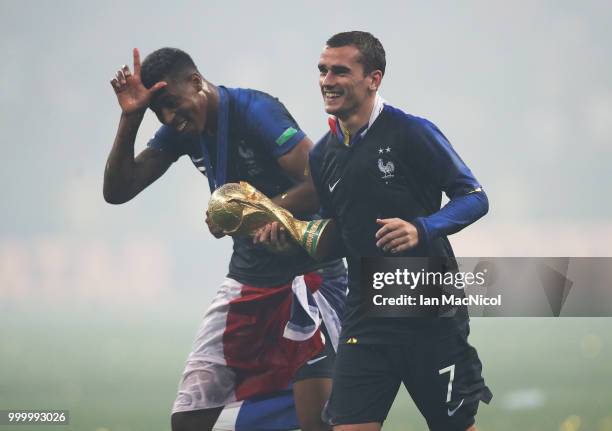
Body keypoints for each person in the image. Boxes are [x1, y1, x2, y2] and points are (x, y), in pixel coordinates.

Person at [105, 47, 346, 431]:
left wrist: (271, 212)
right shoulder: (182, 128)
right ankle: (324, 408)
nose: (169, 117)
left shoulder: (256, 112)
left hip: (310, 279)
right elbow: (119, 190)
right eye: (158, 112)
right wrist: (130, 119)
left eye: (171, 104)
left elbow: (321, 180)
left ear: (197, 83)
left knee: (319, 418)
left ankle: (331, 406)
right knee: (189, 421)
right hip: (249, 283)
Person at [309, 31, 492, 431]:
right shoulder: (321, 154)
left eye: (340, 71)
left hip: (429, 311)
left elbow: (474, 197)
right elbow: (334, 229)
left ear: (373, 79)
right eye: (323, 70)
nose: (327, 80)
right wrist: (292, 232)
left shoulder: (411, 132)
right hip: (366, 316)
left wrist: (421, 228)